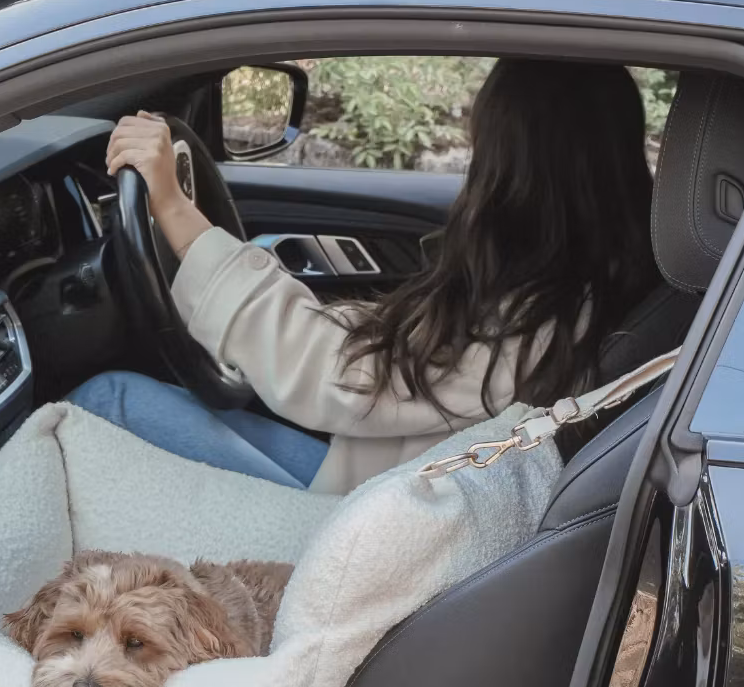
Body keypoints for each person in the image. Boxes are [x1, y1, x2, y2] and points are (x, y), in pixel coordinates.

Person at [68, 58, 662, 495]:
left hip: (358, 530)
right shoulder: (581, 288)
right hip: (389, 491)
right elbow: (386, 359)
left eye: (482, 151)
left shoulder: (533, 325)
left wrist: (174, 211)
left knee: (106, 401)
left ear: (514, 171)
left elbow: (330, 374)